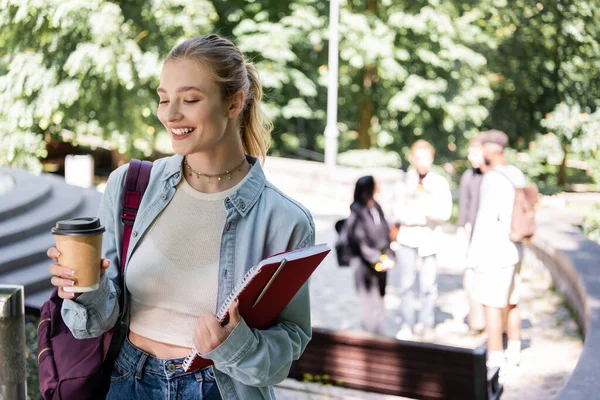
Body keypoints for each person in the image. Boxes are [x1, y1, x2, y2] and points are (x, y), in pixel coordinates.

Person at [46, 34, 315, 399]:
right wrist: (82, 288)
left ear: (234, 103)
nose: (170, 115)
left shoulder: (285, 220)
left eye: (189, 100)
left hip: (218, 389)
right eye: (164, 99)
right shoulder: (130, 185)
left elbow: (290, 343)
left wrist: (235, 345)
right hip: (128, 380)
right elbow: (98, 320)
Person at [466, 130, 525, 372]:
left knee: (491, 305)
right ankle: (515, 351)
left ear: (490, 149)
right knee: (512, 302)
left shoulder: (492, 178)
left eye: (481, 148)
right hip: (515, 249)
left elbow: (485, 222)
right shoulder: (515, 173)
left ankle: (495, 359)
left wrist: (472, 256)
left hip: (495, 252)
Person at [391, 140, 452, 341]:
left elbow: (444, 212)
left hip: (429, 239)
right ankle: (408, 323)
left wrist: (421, 213)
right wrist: (422, 216)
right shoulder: (404, 181)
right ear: (413, 159)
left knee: (428, 284)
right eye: (419, 158)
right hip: (408, 238)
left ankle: (427, 323)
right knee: (406, 284)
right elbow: (397, 211)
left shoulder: (439, 182)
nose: (423, 162)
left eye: (426, 158)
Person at [346, 176, 395, 336]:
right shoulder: (357, 210)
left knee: (380, 298)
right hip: (364, 263)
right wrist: (375, 258)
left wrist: (389, 254)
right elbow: (359, 240)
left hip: (381, 260)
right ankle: (372, 333)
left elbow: (384, 231)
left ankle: (379, 331)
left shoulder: (376, 206)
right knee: (368, 300)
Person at [457, 137, 486, 333]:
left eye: (474, 153)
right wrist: (462, 227)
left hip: (490, 239)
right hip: (474, 237)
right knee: (471, 281)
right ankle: (477, 323)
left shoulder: (493, 177)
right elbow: (465, 205)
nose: (470, 157)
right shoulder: (469, 176)